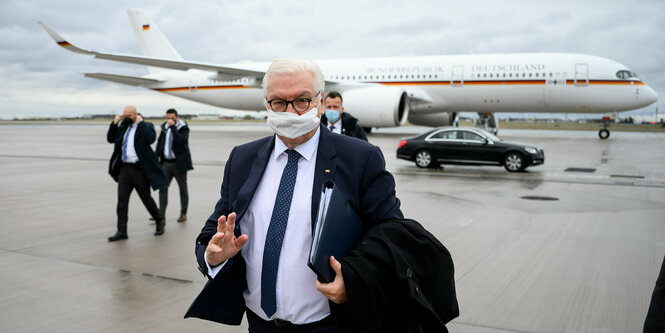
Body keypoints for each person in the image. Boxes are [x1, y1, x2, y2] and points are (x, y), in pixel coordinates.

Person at [185, 58, 403, 331]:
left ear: (320, 103)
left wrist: (355, 280)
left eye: (302, 101)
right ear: (267, 104)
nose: (290, 112)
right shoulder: (242, 158)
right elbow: (214, 230)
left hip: (329, 324)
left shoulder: (361, 158)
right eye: (279, 102)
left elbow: (392, 237)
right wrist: (213, 255)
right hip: (260, 323)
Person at [106, 105, 168, 241]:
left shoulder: (145, 125)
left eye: (129, 116)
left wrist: (141, 123)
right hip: (125, 169)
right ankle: (121, 231)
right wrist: (115, 122)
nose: (126, 118)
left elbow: (150, 138)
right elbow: (111, 139)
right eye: (124, 115)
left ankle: (159, 220)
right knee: (122, 201)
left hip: (139, 169)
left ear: (136, 115)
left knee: (146, 198)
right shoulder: (123, 127)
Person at [155, 108, 193, 223]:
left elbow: (181, 141)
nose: (169, 120)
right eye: (168, 118)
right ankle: (161, 214)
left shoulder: (183, 128)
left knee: (182, 189)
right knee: (163, 188)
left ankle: (183, 213)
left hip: (179, 164)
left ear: (177, 117)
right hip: (166, 163)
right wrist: (155, 158)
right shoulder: (164, 128)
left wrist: (172, 127)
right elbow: (159, 143)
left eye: (172, 118)